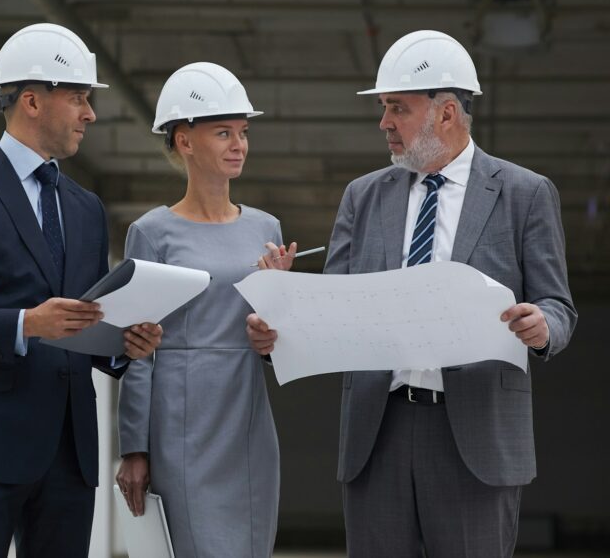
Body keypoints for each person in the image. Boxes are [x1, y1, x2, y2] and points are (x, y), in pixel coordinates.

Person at [246, 30, 577, 557]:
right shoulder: (363, 196)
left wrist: (542, 328)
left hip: (477, 436)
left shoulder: (524, 194)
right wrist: (280, 323)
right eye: (383, 109)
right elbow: (335, 311)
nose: (384, 124)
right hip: (379, 434)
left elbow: (558, 307)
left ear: (446, 113)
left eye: (397, 108)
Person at [0, 23, 163, 558]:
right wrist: (25, 324)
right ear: (31, 102)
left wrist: (123, 345)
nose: (90, 114)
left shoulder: (86, 209)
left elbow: (87, 320)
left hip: (67, 457)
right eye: (78, 99)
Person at [116, 62, 295, 558]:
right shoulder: (152, 232)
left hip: (248, 417)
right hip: (182, 420)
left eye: (242, 132)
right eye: (223, 132)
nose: (239, 144)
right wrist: (135, 446)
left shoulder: (267, 228)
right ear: (185, 141)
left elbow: (279, 343)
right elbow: (137, 350)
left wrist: (277, 323)